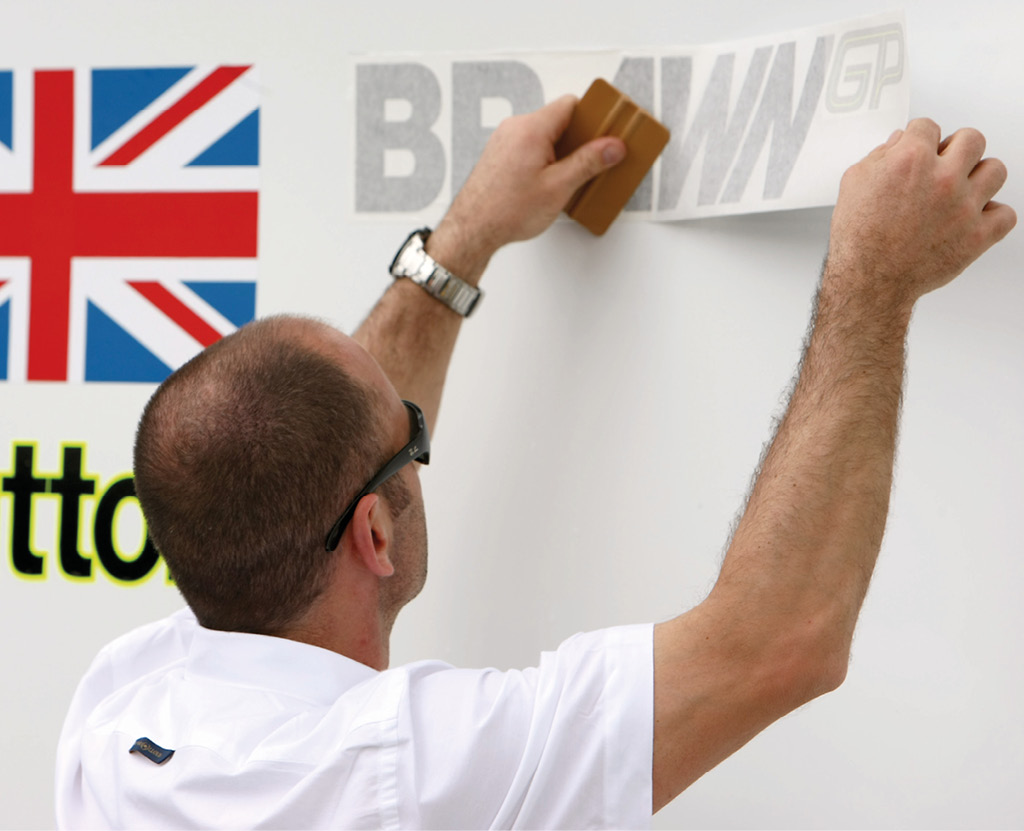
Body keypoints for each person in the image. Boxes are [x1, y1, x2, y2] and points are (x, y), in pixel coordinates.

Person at [55, 95, 1015, 829]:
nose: (419, 427)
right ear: (374, 534)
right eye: (413, 435)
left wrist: (461, 243)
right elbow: (778, 640)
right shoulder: (405, 774)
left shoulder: (122, 708)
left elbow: (300, 452)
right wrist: (876, 280)